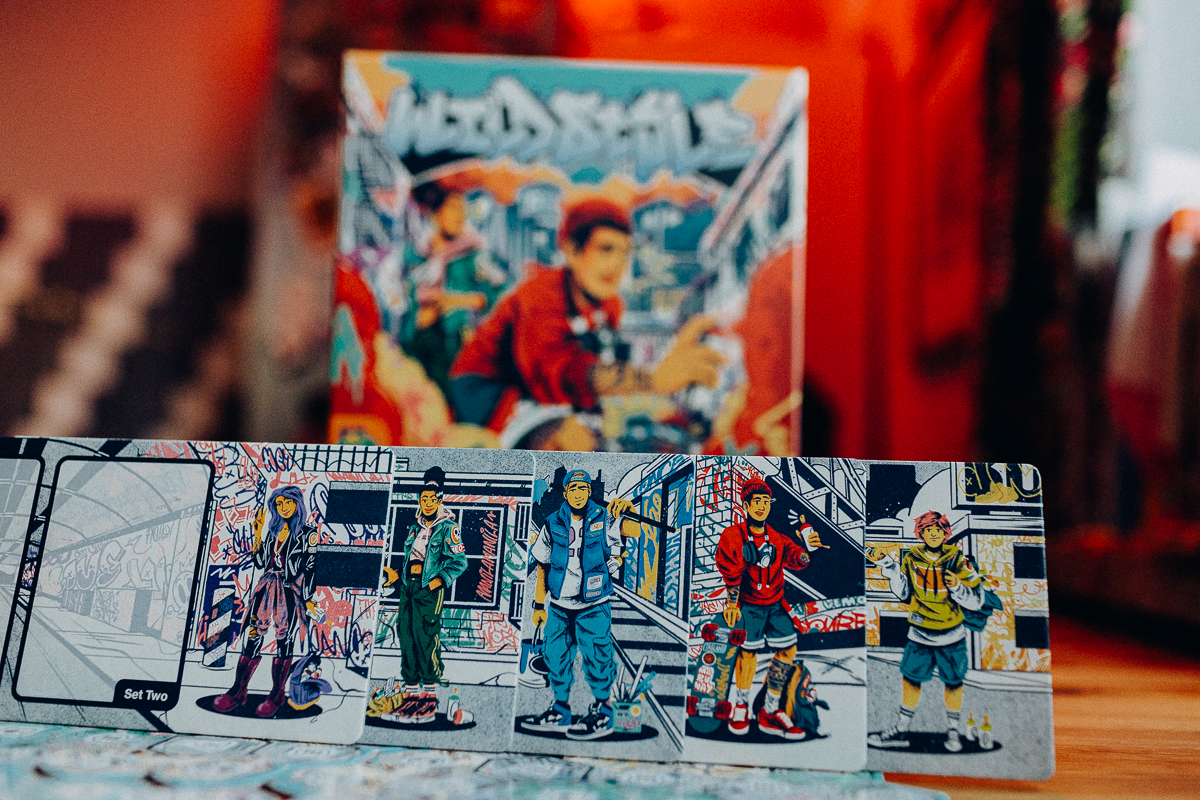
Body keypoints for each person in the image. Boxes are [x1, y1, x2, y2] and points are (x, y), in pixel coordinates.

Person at [448, 197, 724, 446]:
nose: (617, 264)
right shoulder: (539, 294)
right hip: (487, 397)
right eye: (606, 249)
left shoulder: (610, 305)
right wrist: (653, 379)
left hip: (547, 402)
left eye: (624, 253)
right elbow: (559, 373)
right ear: (571, 250)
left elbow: (602, 370)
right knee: (571, 439)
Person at [524, 469, 639, 740]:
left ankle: (604, 711)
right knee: (555, 656)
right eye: (573, 489)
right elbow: (542, 566)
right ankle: (560, 710)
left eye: (583, 489)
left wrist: (629, 508)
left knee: (598, 656)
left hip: (594, 603)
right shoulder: (552, 523)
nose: (578, 494)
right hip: (559, 604)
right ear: (565, 493)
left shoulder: (604, 516)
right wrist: (539, 605)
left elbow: (633, 530)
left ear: (589, 492)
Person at [867, 510, 984, 752]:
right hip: (920, 631)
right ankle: (901, 727)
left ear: (945, 532)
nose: (933, 534)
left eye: (937, 530)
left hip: (951, 632)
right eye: (928, 530)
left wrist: (958, 587)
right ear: (921, 533)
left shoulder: (956, 559)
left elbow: (976, 601)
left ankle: (953, 731)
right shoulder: (912, 558)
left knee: (953, 682)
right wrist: (888, 565)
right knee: (911, 679)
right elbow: (903, 593)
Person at [716, 480, 824, 739]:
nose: (762, 507)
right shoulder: (733, 535)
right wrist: (732, 604)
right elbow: (731, 574)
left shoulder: (776, 537)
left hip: (774, 604)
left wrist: (809, 550)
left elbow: (796, 557)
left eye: (766, 502)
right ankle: (741, 706)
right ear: (746, 505)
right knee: (747, 653)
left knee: (788, 650)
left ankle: (771, 709)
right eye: (757, 502)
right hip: (749, 605)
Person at [214, 486, 317, 718]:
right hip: (267, 584)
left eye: (288, 503)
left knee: (284, 638)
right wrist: (258, 533)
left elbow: (311, 567)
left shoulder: (308, 533)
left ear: (297, 504)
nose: (284, 508)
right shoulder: (273, 531)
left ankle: (277, 694)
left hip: (290, 589)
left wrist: (308, 598)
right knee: (253, 634)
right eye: (279, 504)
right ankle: (238, 690)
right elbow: (260, 561)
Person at [397, 181, 507, 397]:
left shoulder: (472, 254)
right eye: (454, 208)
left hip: (452, 344)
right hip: (414, 340)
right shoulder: (415, 254)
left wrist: (455, 301)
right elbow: (398, 292)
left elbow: (499, 290)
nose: (461, 216)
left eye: (463, 210)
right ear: (435, 213)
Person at [378, 466, 468, 724]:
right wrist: (397, 575)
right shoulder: (414, 526)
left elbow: (459, 562)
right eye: (424, 498)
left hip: (429, 590)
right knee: (406, 636)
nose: (427, 503)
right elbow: (413, 558)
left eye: (432, 498)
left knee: (425, 639)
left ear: (439, 499)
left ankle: (427, 704)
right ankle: (411, 700)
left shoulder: (448, 527)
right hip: (408, 587)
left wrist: (438, 582)